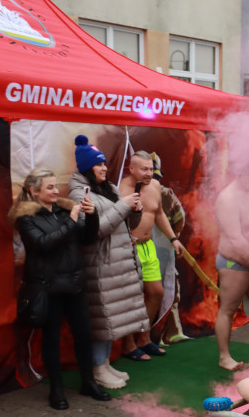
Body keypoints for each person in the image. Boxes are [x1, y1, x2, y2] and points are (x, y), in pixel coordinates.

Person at [10, 169, 111, 410]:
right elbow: (43, 244)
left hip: (75, 284)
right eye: (50, 187)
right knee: (51, 340)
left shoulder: (65, 209)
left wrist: (92, 215)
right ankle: (56, 389)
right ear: (33, 191)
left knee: (84, 336)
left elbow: (87, 239)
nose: (56, 191)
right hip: (48, 287)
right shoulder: (25, 217)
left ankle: (88, 382)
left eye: (56, 186)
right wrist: (71, 220)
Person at [67, 135, 149, 389]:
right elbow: (95, 230)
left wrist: (135, 211)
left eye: (104, 164)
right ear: (86, 167)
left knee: (109, 320)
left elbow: (124, 224)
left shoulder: (108, 188)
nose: (104, 168)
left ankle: (103, 364)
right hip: (99, 266)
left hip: (116, 264)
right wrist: (123, 207)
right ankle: (97, 367)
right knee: (101, 319)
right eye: (98, 165)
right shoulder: (79, 192)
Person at [118, 151, 185, 361]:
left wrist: (173, 238)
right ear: (132, 169)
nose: (149, 173)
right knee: (130, 299)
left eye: (151, 169)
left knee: (156, 292)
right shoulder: (121, 189)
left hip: (148, 247)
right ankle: (128, 345)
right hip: (128, 248)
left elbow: (158, 213)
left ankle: (144, 339)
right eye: (144, 169)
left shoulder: (154, 186)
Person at [214, 163, 249, 370]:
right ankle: (224, 357)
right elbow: (235, 239)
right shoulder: (228, 199)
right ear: (242, 173)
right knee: (228, 309)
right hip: (233, 262)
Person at [149, 151, 191, 344]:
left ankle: (167, 333)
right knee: (162, 292)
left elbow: (179, 219)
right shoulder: (134, 192)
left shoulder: (165, 194)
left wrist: (172, 239)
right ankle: (152, 336)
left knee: (169, 291)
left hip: (163, 250)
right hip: (145, 250)